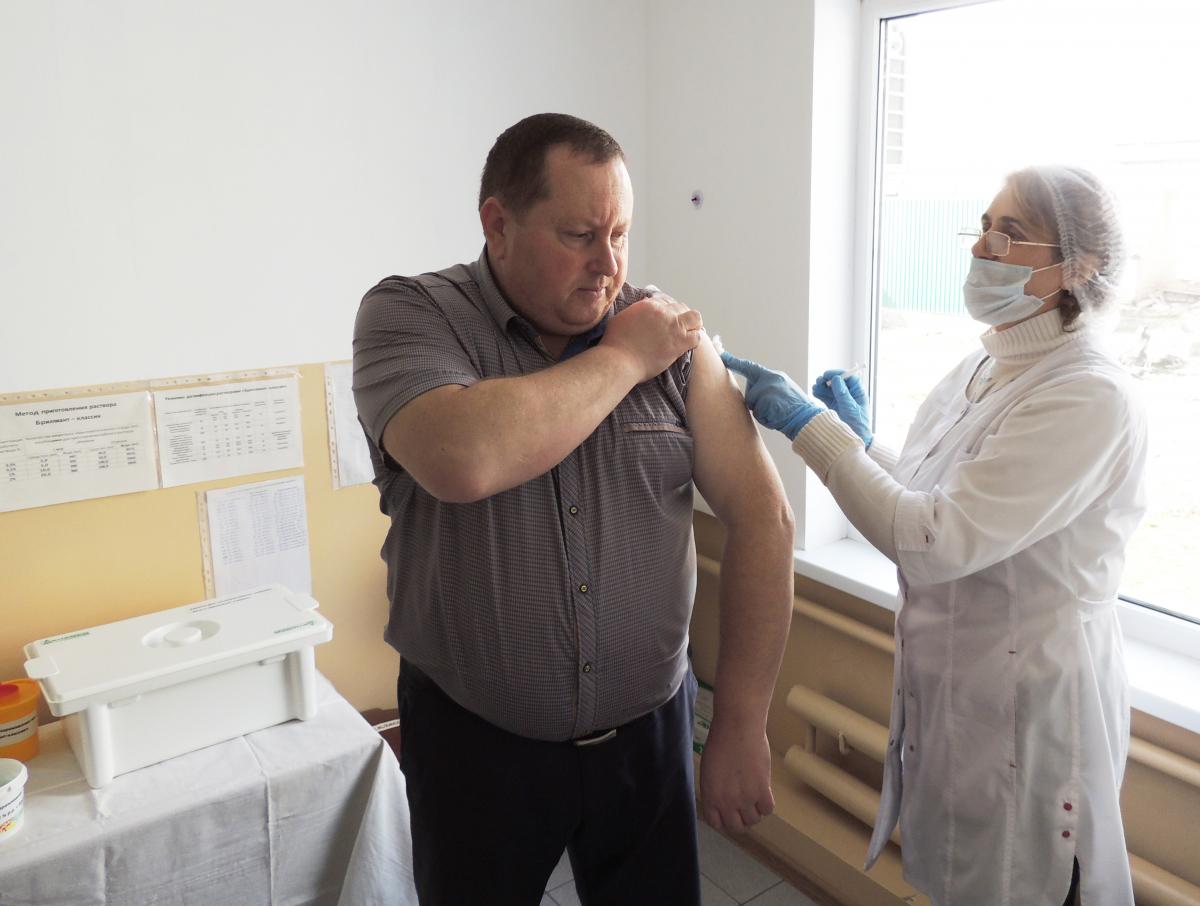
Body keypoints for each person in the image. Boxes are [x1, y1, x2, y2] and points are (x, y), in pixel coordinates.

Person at [352, 112, 796, 906]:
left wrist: (741, 720)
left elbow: (765, 517)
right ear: (498, 224)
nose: (609, 266)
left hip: (648, 738)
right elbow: (464, 457)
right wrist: (624, 359)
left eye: (620, 235)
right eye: (580, 236)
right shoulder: (411, 316)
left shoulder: (670, 337)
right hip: (475, 744)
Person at [720, 166, 1146, 906]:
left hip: (1034, 713)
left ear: (1080, 266)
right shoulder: (988, 362)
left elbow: (933, 538)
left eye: (1009, 234)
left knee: (1031, 885)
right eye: (983, 226)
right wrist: (866, 446)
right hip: (965, 697)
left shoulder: (1089, 394)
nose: (981, 247)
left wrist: (812, 430)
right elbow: (937, 496)